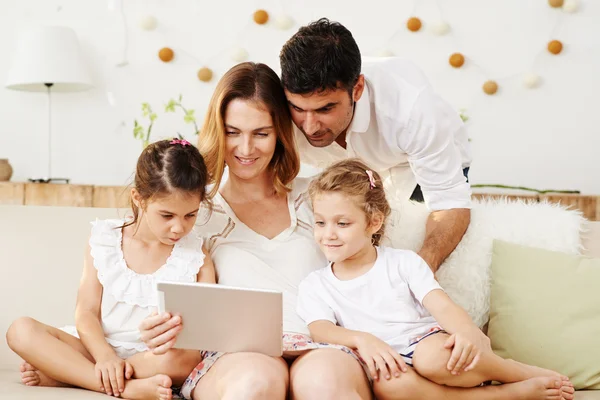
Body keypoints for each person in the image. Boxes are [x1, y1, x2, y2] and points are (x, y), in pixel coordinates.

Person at [139, 62, 575, 400]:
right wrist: (161, 325)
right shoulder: (196, 211)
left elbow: (375, 260)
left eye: (261, 133)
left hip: (325, 344)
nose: (246, 148)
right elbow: (156, 271)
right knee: (255, 380)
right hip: (239, 352)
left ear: (281, 134)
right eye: (233, 132)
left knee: (325, 384)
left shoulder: (320, 200)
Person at [297, 158, 573, 400]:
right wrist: (362, 339)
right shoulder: (316, 284)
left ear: (374, 223)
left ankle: (515, 372)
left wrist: (467, 332)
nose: (328, 234)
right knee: (390, 387)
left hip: (428, 348)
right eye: (321, 223)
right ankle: (503, 395)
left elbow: (441, 305)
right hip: (388, 365)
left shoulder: (402, 262)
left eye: (342, 223)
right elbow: (320, 329)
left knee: (432, 359)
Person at [6, 139, 216, 400]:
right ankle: (125, 387)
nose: (179, 228)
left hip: (153, 358)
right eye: (167, 215)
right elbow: (86, 312)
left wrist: (171, 333)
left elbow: (203, 337)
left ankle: (73, 375)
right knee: (20, 331)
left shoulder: (197, 255)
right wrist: (105, 356)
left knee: (181, 361)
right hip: (97, 349)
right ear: (138, 198)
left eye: (190, 215)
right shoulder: (105, 240)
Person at [280, 17, 472, 273]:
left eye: (326, 108)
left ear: (357, 89)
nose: (310, 126)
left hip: (412, 172)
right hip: (346, 174)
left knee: (408, 246)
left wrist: (421, 270)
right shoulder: (277, 106)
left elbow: (449, 203)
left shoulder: (412, 110)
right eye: (298, 108)